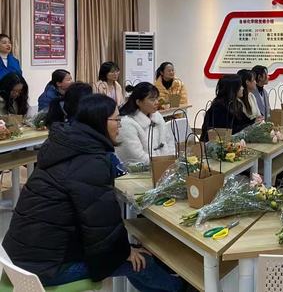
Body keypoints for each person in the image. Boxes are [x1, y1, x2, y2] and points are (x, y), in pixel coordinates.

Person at [2, 94, 182, 291]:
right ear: (99, 121)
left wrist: (124, 249)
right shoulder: (90, 161)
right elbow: (101, 222)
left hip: (22, 256)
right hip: (47, 269)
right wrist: (124, 252)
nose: (120, 125)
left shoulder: (64, 147)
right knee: (142, 262)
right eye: (116, 119)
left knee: (135, 255)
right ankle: (180, 288)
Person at [115, 82, 176, 165]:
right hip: (139, 170)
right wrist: (160, 163)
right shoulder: (126, 123)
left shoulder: (157, 116)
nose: (157, 102)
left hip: (162, 166)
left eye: (157, 98)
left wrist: (170, 160)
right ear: (138, 102)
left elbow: (169, 141)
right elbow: (136, 156)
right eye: (152, 99)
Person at [200, 74, 254, 141]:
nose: (243, 88)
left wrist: (254, 122)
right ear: (233, 88)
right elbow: (229, 131)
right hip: (216, 144)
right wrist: (251, 124)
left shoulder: (237, 104)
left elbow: (244, 122)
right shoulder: (218, 108)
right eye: (240, 86)